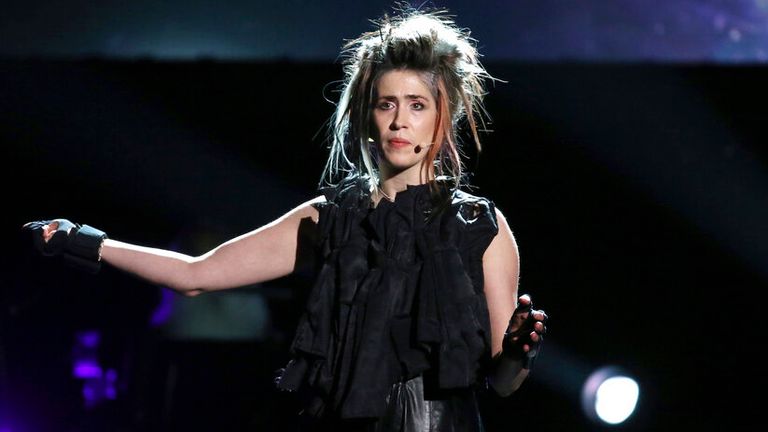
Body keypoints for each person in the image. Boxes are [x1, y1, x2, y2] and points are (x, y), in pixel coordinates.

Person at [23, 7, 547, 432]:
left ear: (443, 114)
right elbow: (196, 274)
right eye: (387, 104)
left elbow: (503, 382)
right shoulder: (330, 219)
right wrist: (87, 243)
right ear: (368, 115)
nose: (399, 121)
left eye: (416, 105)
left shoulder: (482, 227)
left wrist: (520, 351)